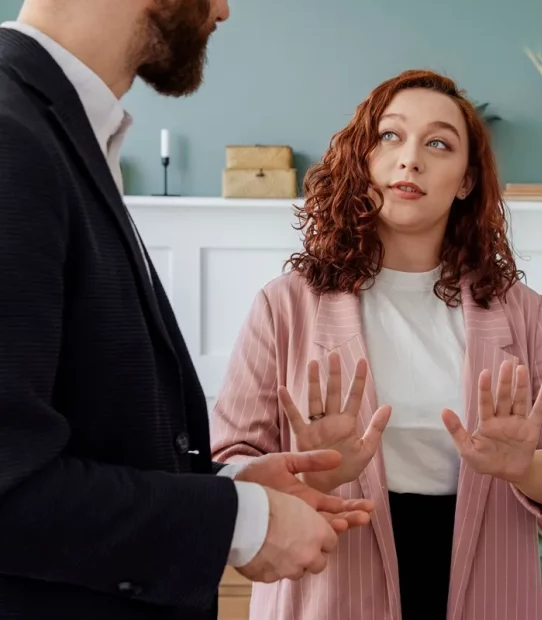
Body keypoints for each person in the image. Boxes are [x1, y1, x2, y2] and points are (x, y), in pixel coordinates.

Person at [0, 1, 373, 619]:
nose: (223, 9)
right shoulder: (12, 136)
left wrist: (224, 491)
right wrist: (241, 522)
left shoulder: (62, 131)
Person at [209, 68, 542, 620]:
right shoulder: (284, 306)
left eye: (439, 143)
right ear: (363, 158)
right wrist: (314, 471)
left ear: (466, 181)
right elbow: (228, 464)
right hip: (330, 588)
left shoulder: (523, 313)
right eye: (390, 136)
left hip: (485, 586)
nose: (411, 159)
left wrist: (524, 467)